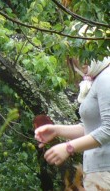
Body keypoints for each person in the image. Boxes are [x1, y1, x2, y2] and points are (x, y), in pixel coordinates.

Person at [35, 52, 110, 190]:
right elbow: (90, 129)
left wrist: (68, 147)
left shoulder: (106, 78)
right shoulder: (98, 79)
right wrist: (57, 130)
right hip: (99, 172)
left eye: (86, 52)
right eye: (76, 56)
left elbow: (108, 129)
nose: (81, 61)